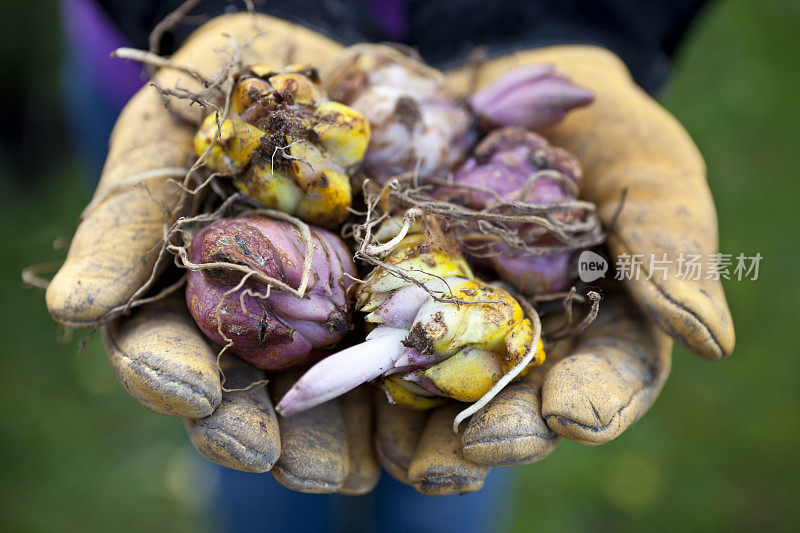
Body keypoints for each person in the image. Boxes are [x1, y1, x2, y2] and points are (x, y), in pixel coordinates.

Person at [54, 1, 734, 532]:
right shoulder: (318, 171)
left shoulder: (425, 280)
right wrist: (211, 7)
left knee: (453, 467)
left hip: (482, 64)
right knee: (238, 428)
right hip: (164, 64)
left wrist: (560, 17)